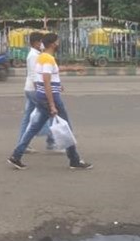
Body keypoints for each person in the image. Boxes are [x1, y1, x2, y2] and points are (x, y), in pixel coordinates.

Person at [8, 33, 92, 170]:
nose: (59, 44)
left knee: (34, 127)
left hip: (43, 96)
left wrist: (67, 74)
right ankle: (74, 160)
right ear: (53, 44)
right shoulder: (47, 59)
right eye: (57, 42)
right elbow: (46, 80)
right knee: (67, 127)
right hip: (51, 98)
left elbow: (41, 79)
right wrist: (52, 104)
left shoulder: (42, 57)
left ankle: (16, 156)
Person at [17, 31, 56, 153]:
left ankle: (22, 144)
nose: (42, 44)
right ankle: (51, 141)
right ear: (35, 43)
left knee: (27, 117)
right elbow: (35, 76)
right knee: (48, 113)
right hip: (34, 90)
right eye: (40, 42)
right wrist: (41, 91)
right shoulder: (34, 56)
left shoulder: (34, 54)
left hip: (29, 89)